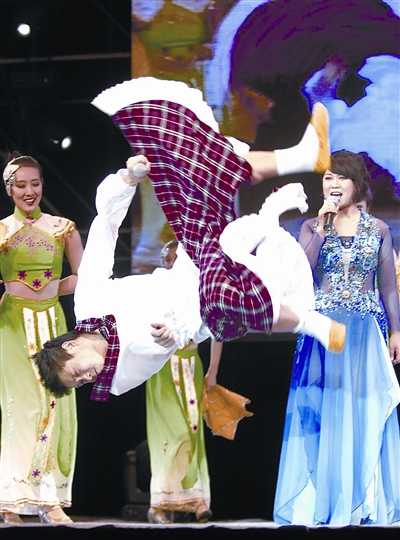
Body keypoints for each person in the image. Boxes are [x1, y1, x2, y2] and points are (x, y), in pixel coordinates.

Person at [91, 77, 345, 351]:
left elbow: (105, 222)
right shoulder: (204, 295)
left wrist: (130, 176)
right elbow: (192, 332)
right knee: (222, 292)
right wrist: (175, 336)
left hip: (199, 252)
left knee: (204, 164)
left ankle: (302, 156)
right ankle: (302, 156)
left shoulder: (97, 305)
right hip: (205, 273)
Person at [274, 150, 400, 525]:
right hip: (323, 333)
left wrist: (396, 330)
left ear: (356, 184)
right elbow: (300, 273)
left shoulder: (378, 229)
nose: (333, 183)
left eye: (340, 177)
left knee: (364, 411)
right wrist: (322, 226)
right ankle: (322, 502)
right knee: (324, 414)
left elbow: (387, 287)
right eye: (328, 177)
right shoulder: (311, 227)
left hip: (365, 332)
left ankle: (365, 502)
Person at [32, 157, 212, 399]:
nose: (85, 378)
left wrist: (128, 180)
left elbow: (104, 228)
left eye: (76, 373)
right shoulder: (118, 379)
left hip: (191, 265)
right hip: (212, 306)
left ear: (70, 346)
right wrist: (171, 337)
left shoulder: (88, 304)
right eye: (80, 383)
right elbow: (160, 347)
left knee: (212, 179)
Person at [0, 154, 83, 524]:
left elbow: (85, 275)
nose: (29, 191)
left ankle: (49, 499)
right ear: (9, 189)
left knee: (54, 403)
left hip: (52, 322)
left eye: (34, 183)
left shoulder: (63, 228)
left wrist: (51, 289)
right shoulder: (2, 231)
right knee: (19, 406)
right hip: (12, 325)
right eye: (21, 185)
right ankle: (11, 498)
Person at [146, 240, 218, 525]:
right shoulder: (157, 287)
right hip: (163, 368)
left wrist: (213, 371)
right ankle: (161, 502)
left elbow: (218, 329)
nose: (172, 263)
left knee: (193, 431)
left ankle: (198, 499)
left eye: (177, 259)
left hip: (192, 364)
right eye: (168, 259)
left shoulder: (201, 288)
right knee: (171, 434)